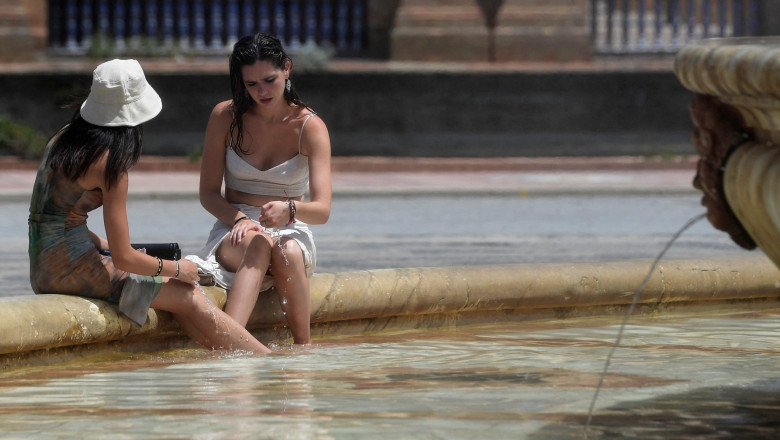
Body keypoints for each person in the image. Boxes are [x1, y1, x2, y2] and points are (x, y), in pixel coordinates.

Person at [28, 59, 271, 354]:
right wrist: (178, 268)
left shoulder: (62, 139)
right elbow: (124, 259)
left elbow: (55, 220)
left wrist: (105, 246)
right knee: (187, 294)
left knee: (180, 293)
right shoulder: (109, 164)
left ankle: (225, 358)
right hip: (71, 272)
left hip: (42, 267)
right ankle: (264, 362)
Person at [186, 33, 332, 346]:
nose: (262, 91)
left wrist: (290, 209)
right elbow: (209, 193)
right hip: (236, 226)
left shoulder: (311, 126)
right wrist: (239, 219)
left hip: (291, 226)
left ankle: (302, 352)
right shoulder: (225, 117)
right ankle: (230, 344)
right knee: (259, 243)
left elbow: (322, 210)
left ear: (287, 69)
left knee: (287, 250)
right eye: (251, 84)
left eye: (269, 80)